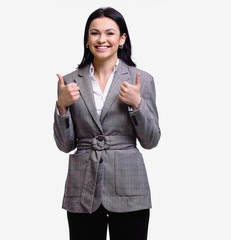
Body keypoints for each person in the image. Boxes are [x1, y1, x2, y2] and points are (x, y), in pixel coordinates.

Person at [53, 7, 160, 240]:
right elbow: (65, 145)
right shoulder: (70, 82)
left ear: (122, 39)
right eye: (94, 33)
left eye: (110, 33)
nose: (102, 39)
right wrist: (61, 107)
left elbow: (151, 140)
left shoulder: (141, 79)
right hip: (82, 186)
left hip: (130, 186)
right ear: (87, 39)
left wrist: (137, 104)